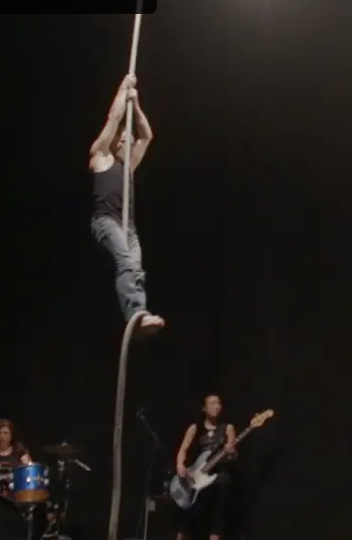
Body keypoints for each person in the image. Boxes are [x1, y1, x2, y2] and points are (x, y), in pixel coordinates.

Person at [89, 73, 165, 335]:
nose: (123, 139)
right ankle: (135, 314)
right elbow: (114, 118)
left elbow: (147, 136)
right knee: (127, 265)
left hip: (128, 227)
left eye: (126, 137)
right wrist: (123, 89)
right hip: (106, 221)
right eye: (120, 137)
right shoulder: (102, 156)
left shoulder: (129, 167)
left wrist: (137, 103)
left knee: (136, 271)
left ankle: (138, 319)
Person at [174, 394, 237, 540]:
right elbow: (183, 449)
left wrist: (231, 452)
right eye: (212, 403)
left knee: (225, 481)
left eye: (219, 403)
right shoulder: (195, 428)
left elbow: (233, 456)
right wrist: (180, 465)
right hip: (197, 472)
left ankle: (215, 535)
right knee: (187, 508)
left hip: (218, 471)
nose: (217, 406)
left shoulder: (228, 428)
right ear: (204, 408)